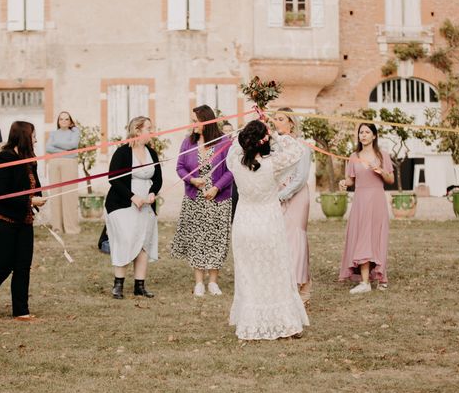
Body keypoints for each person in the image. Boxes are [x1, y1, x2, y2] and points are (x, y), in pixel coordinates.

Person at [226, 119, 309, 340]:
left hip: (244, 224)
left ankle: (251, 323)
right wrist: (276, 135)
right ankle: (286, 324)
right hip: (269, 223)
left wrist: (242, 134)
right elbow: (297, 149)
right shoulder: (273, 165)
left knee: (249, 274)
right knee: (277, 272)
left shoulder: (235, 163)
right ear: (264, 142)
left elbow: (233, 148)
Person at [0, 121, 47, 322]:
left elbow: (35, 185)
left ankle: (21, 310)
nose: (35, 139)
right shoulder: (4, 158)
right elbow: (2, 193)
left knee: (23, 264)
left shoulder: (30, 159)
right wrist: (28, 200)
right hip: (0, 219)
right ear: (24, 136)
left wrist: (37, 198)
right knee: (4, 264)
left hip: (23, 220)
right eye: (33, 135)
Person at [171, 105, 233, 297]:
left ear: (206, 121)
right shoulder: (187, 142)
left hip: (219, 199)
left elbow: (232, 170)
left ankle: (213, 281)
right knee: (197, 238)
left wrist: (217, 187)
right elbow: (180, 167)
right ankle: (199, 282)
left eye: (195, 121)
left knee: (216, 238)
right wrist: (192, 180)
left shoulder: (224, 142)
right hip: (194, 199)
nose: (193, 124)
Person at [105, 117, 162, 299]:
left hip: (146, 206)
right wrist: (132, 197)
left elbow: (158, 178)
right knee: (126, 239)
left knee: (144, 242)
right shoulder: (122, 152)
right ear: (137, 130)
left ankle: (140, 285)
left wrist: (153, 193)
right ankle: (118, 284)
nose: (151, 132)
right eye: (149, 128)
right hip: (122, 203)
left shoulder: (152, 152)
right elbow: (113, 179)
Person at [339, 123, 395, 294]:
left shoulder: (382, 155)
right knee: (362, 237)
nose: (363, 135)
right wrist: (343, 182)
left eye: (367, 132)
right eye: (361, 132)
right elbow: (351, 180)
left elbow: (390, 179)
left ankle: (380, 276)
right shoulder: (354, 156)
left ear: (374, 136)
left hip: (377, 199)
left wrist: (381, 171)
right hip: (360, 200)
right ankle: (364, 282)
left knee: (377, 238)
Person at [273, 108, 313, 309]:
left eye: (280, 119)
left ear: (291, 123)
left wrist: (283, 194)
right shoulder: (276, 147)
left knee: (296, 237)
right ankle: (285, 284)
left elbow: (301, 176)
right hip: (277, 196)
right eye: (275, 119)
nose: (276, 122)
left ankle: (303, 285)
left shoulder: (302, 147)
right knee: (282, 239)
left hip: (296, 196)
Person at [46, 111, 80, 234]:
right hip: (54, 164)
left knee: (69, 195)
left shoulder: (75, 132)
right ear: (58, 121)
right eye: (61, 119)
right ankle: (57, 227)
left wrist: (56, 145)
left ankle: (71, 228)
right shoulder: (53, 133)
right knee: (56, 195)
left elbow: (73, 144)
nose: (64, 121)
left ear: (70, 121)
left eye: (66, 119)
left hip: (69, 163)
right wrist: (67, 149)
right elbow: (48, 148)